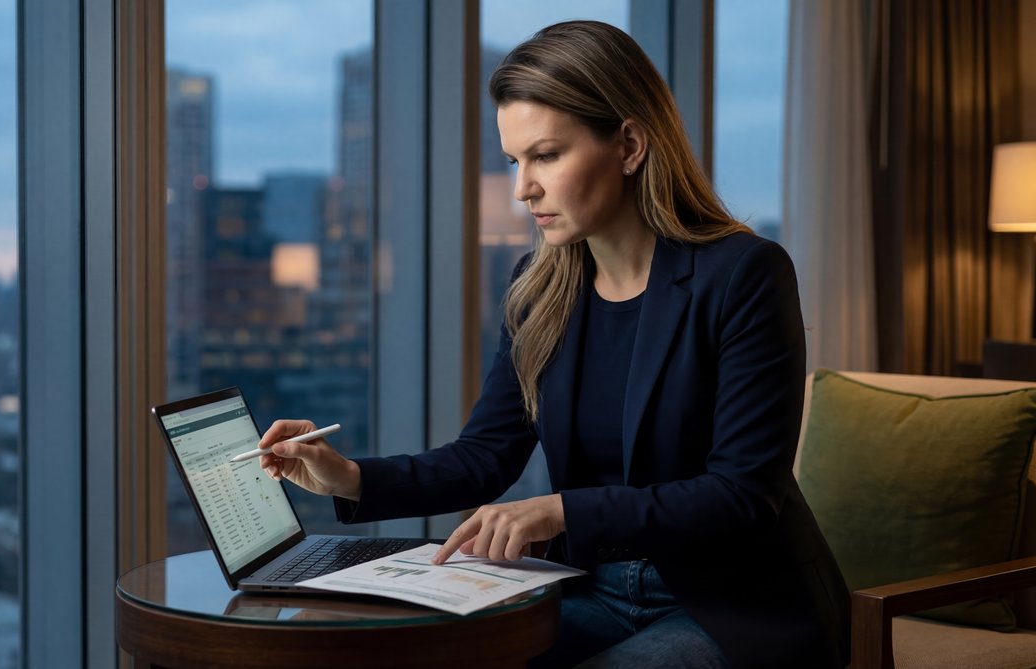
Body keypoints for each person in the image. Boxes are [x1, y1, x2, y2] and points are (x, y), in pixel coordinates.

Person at [256, 20, 850, 669]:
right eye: (514, 161)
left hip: (731, 606)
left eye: (546, 155)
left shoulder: (744, 273)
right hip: (591, 587)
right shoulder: (538, 288)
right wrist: (349, 476)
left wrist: (562, 509)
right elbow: (484, 456)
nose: (522, 188)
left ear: (628, 145)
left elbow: (742, 494)